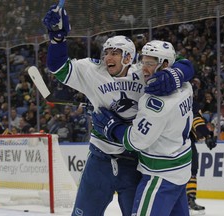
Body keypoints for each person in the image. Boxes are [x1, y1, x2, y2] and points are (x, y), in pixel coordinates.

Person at [42, 4, 194, 215]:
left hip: (133, 160)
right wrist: (57, 40)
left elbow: (183, 64)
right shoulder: (92, 70)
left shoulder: (145, 73)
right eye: (106, 52)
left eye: (115, 53)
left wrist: (176, 75)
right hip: (100, 158)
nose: (108, 57)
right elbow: (58, 67)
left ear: (129, 57)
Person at [92, 40, 195, 215]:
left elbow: (134, 142)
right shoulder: (186, 86)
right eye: (143, 61)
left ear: (164, 64)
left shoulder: (154, 104)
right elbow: (185, 64)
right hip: (181, 170)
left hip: (160, 177)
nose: (143, 69)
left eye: (149, 63)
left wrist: (112, 127)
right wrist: (178, 72)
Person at [187, 100, 217, 215]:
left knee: (189, 171)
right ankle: (189, 199)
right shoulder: (190, 101)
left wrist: (206, 135)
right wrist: (207, 135)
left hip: (167, 141)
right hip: (184, 142)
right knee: (191, 170)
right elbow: (196, 120)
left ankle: (187, 199)